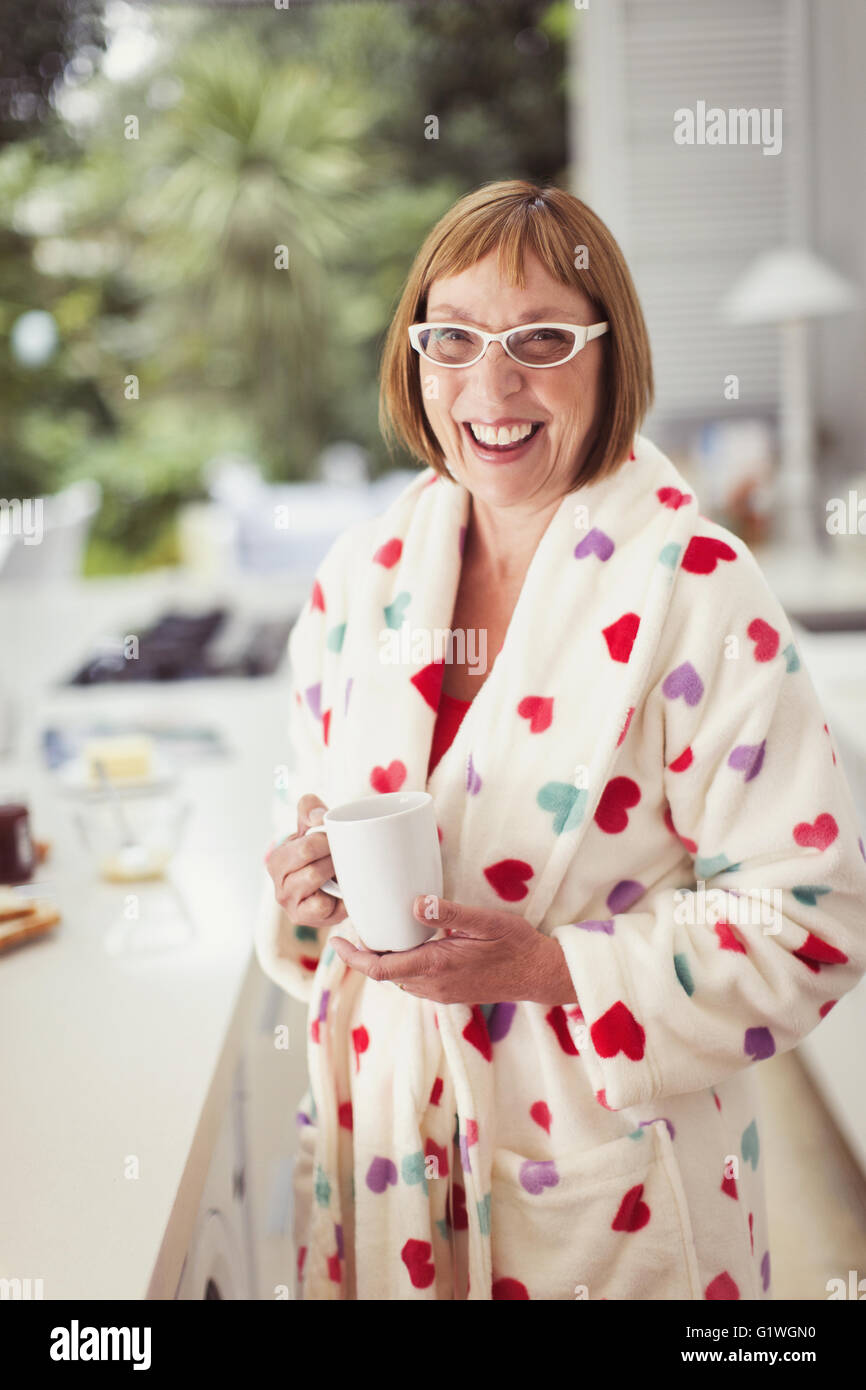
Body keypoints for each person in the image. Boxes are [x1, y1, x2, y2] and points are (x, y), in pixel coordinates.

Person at [256, 179, 866, 1301]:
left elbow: (809, 919)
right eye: (452, 338)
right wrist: (305, 883)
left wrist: (544, 964)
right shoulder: (360, 578)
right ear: (413, 354)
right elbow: (312, 816)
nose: (491, 384)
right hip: (384, 1150)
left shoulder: (695, 589)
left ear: (606, 354)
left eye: (539, 337)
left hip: (606, 1186)